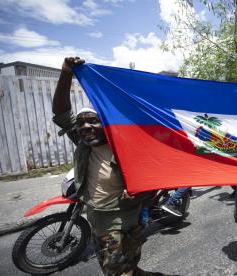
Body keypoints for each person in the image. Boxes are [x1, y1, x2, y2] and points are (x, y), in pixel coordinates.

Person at [53, 57, 152, 276]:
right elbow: (61, 113)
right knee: (115, 268)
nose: (86, 127)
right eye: (81, 123)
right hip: (96, 220)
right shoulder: (83, 143)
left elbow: (154, 178)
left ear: (105, 124)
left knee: (117, 272)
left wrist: (140, 193)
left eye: (93, 121)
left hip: (122, 224)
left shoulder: (125, 147)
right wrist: (66, 73)